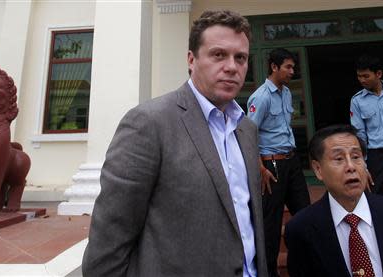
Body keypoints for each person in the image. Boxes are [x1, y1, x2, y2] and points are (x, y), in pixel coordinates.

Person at [82, 10, 268, 277]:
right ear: (191, 59)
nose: (231, 66)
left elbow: (247, 220)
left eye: (240, 58)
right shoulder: (148, 124)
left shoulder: (246, 129)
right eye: (218, 55)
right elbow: (109, 241)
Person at [285, 124, 383, 277]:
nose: (351, 167)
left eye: (356, 157)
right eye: (339, 159)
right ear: (318, 170)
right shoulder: (301, 229)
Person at [246, 47, 310, 276]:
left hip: (291, 162)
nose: (292, 71)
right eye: (288, 67)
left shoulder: (286, 93)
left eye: (293, 67)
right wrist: (259, 167)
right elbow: (248, 134)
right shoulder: (261, 97)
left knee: (305, 215)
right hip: (271, 166)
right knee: (270, 227)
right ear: (274, 67)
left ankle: (303, 267)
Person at [350, 54, 383, 200]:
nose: (362, 80)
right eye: (359, 76)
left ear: (378, 74)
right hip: (377, 157)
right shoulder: (357, 101)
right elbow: (359, 134)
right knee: (377, 200)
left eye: (366, 76)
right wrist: (363, 163)